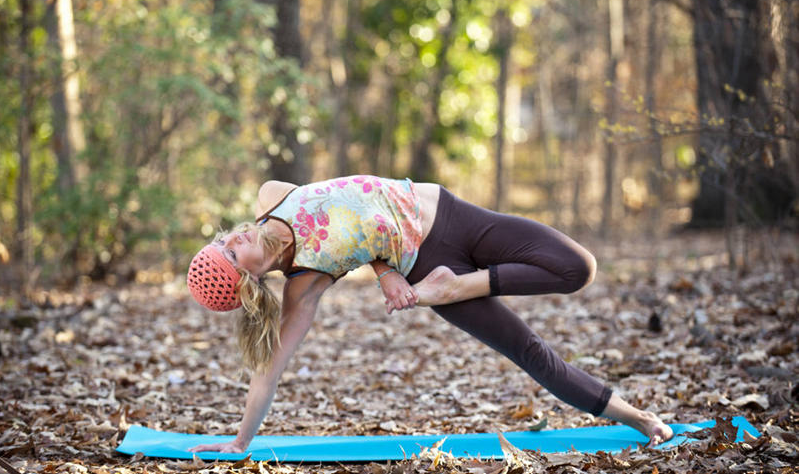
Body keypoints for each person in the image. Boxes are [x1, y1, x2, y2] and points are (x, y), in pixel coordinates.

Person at [186, 175, 673, 454]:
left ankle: (461, 287)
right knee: (530, 352)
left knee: (577, 267)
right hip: (429, 265)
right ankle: (638, 417)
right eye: (229, 255)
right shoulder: (305, 284)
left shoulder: (273, 196)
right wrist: (238, 442)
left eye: (221, 239)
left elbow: (347, 208)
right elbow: (267, 374)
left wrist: (382, 271)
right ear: (249, 283)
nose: (232, 239)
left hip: (451, 216)